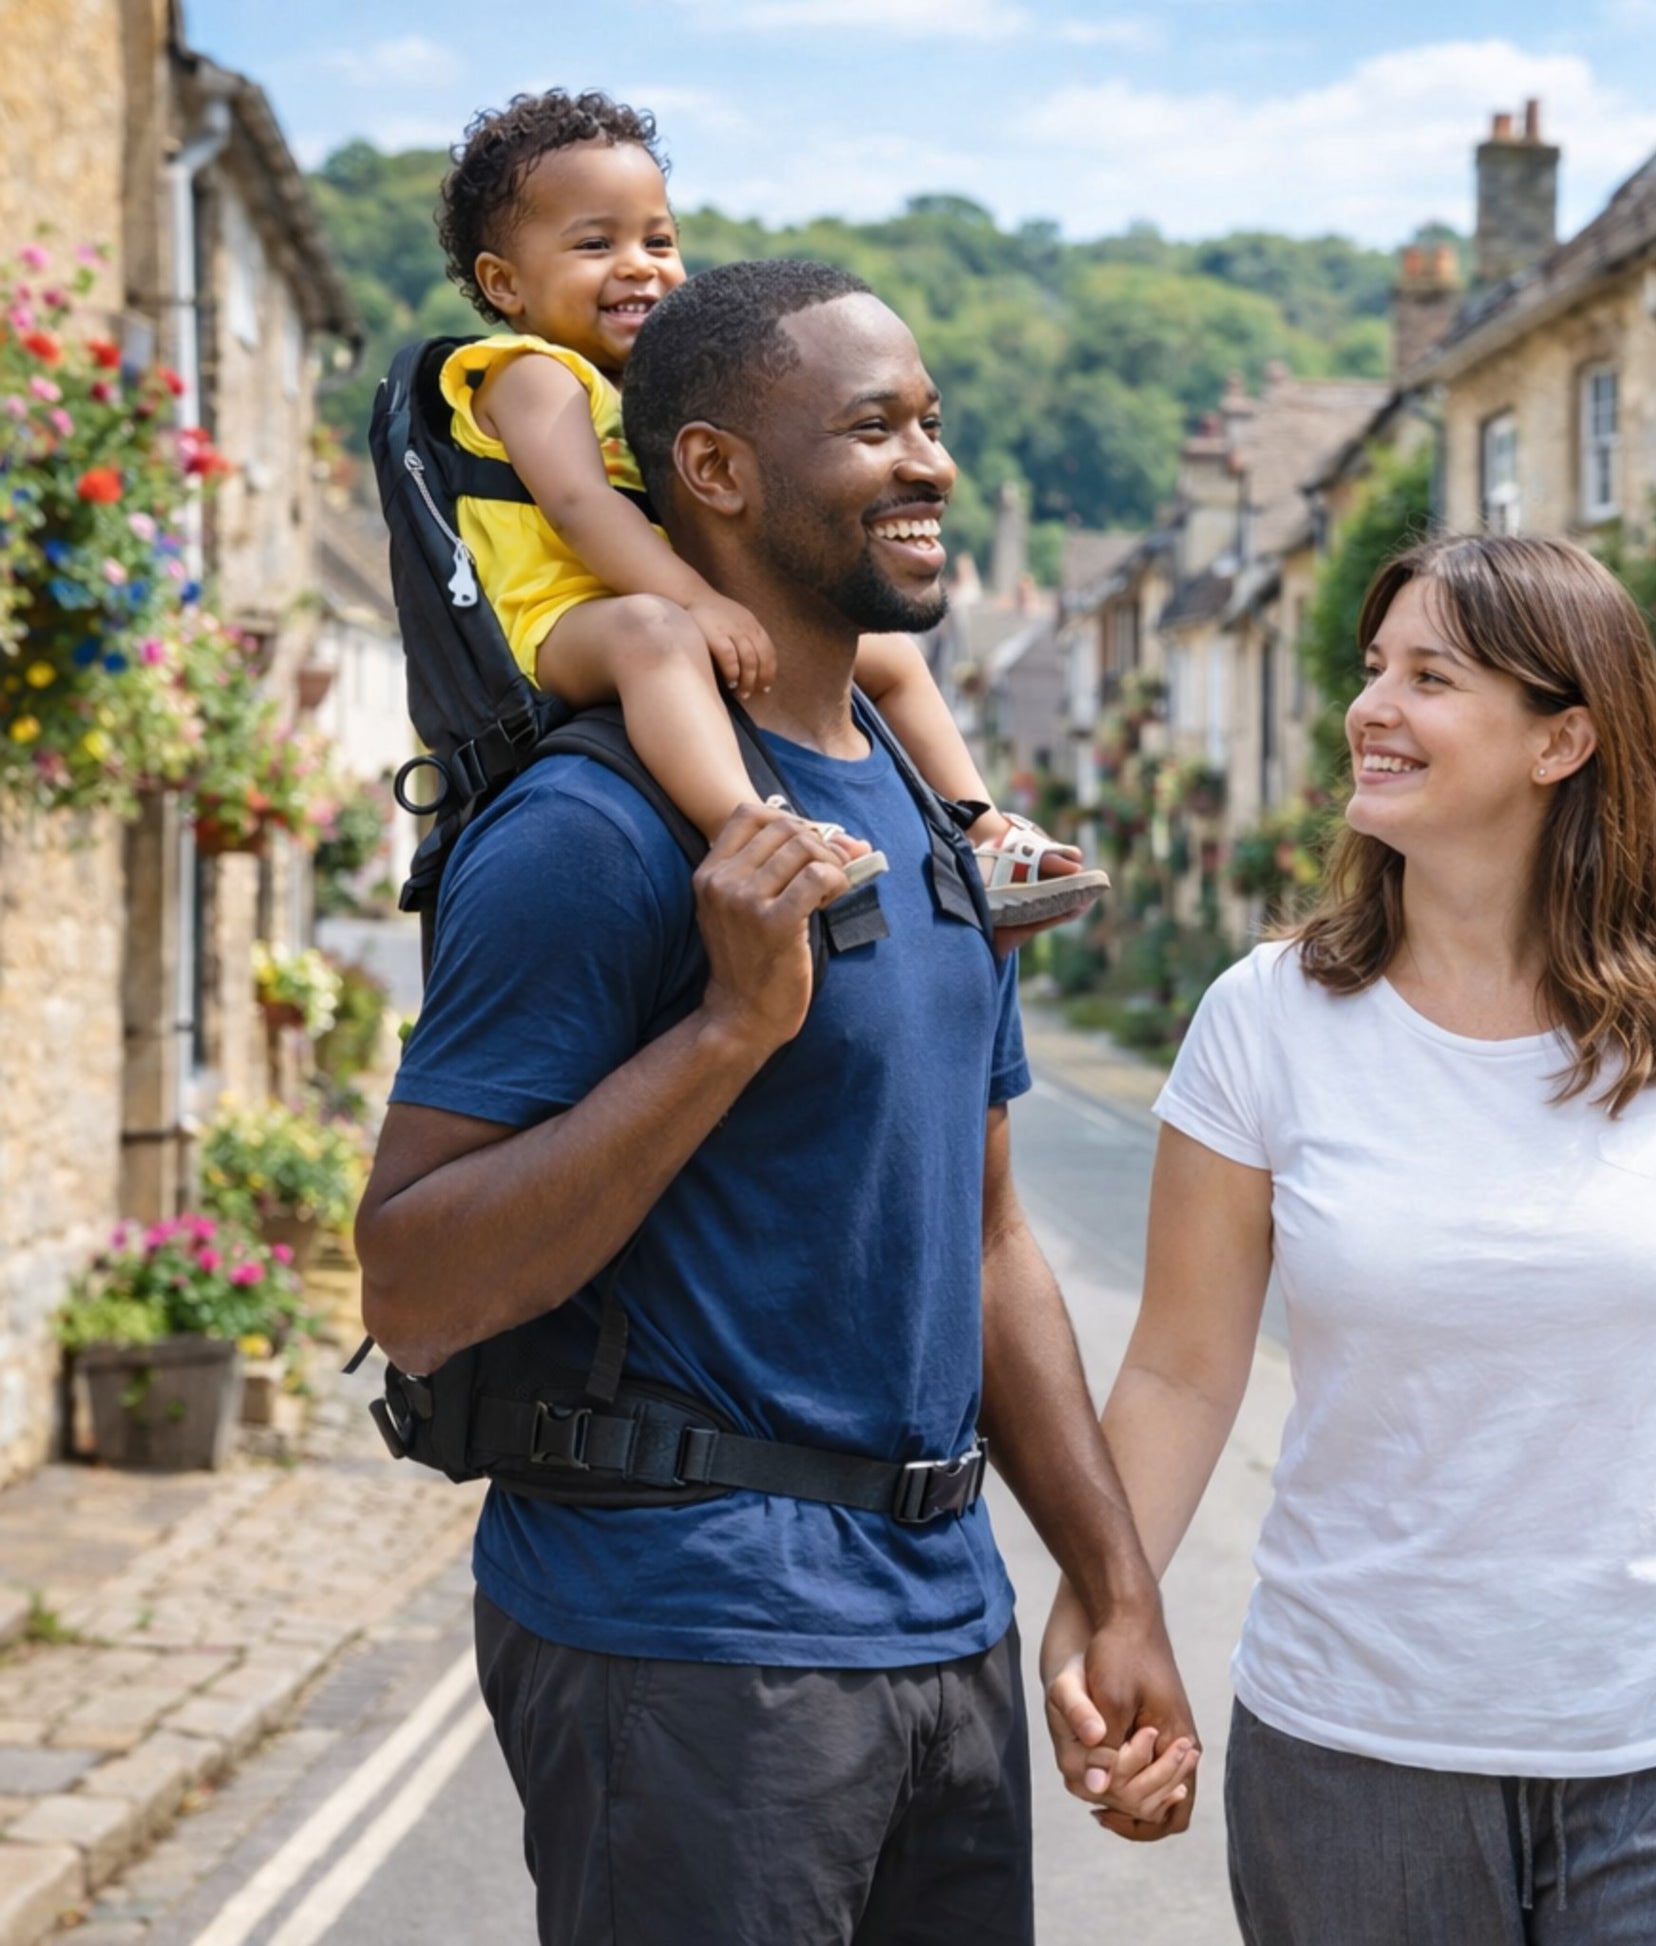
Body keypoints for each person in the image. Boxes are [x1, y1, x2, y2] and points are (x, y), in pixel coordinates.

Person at [356, 256, 1196, 1946]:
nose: (930, 464)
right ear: (719, 473)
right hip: (686, 1643)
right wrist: (729, 1028)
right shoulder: (591, 833)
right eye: (873, 429)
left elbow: (992, 1238)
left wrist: (1113, 1584)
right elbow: (412, 1283)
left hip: (938, 1624)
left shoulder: (923, 811)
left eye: (934, 425)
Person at [1041, 534, 1656, 1943]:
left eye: (1430, 675)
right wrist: (1102, 1604)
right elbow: (1178, 1372)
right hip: (1353, 1757)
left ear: (1561, 737)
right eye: (1371, 667)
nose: (1369, 707)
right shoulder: (1263, 1020)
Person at [432, 87, 1105, 924]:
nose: (639, 263)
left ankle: (978, 828)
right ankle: (752, 826)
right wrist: (701, 602)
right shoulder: (526, 372)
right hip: (561, 621)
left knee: (889, 659)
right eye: (596, 243)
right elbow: (578, 507)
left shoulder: (627, 389)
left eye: (659, 238)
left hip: (649, 606)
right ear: (505, 282)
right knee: (658, 637)